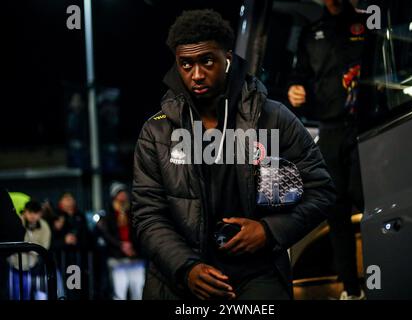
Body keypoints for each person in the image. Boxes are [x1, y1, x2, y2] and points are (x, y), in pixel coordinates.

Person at [132, 9, 335, 300]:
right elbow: (147, 215)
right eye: (186, 64)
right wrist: (186, 268)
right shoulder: (156, 132)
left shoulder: (274, 118)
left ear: (227, 58)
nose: (197, 74)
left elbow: (322, 191)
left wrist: (269, 231)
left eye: (207, 61)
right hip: (177, 280)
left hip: (257, 273)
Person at [287, 0, 367, 300]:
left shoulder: (367, 22)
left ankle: (383, 278)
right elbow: (299, 77)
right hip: (330, 129)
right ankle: (351, 290)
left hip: (366, 124)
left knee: (368, 201)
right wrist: (296, 91)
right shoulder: (311, 32)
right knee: (336, 211)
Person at [97, 182, 145, 300]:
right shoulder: (108, 215)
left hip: (135, 258)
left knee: (139, 293)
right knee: (119, 293)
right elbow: (105, 234)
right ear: (114, 197)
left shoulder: (134, 213)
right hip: (117, 259)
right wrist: (121, 245)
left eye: (124, 193)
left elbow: (140, 231)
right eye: (119, 193)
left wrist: (133, 247)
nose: (123, 196)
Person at [8, 200, 51, 300]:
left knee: (37, 294)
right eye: (30, 212)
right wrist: (33, 248)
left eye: (35, 213)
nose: (32, 216)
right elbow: (13, 240)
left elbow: (45, 246)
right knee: (16, 294)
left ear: (40, 214)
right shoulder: (17, 222)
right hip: (15, 265)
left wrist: (29, 249)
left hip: (34, 267)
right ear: (25, 211)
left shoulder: (44, 226)